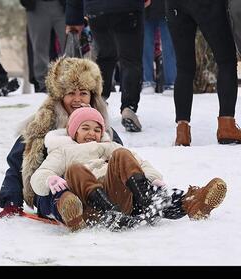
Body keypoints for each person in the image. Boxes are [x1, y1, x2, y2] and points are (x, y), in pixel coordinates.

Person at [31, 107, 227, 231]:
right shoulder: (63, 151)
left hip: (117, 197)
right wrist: (50, 179)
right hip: (90, 203)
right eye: (85, 128)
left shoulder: (109, 146)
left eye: (97, 129)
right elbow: (39, 174)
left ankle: (182, 201)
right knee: (75, 169)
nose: (92, 133)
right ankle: (110, 214)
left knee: (122, 154)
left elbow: (139, 162)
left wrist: (153, 178)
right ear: (74, 131)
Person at [0, 57, 123, 218]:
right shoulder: (42, 124)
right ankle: (69, 207)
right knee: (58, 190)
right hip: (52, 189)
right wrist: (11, 201)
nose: (77, 99)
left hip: (98, 185)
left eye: (83, 93)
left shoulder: (101, 127)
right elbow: (16, 164)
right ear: (60, 96)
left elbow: (120, 158)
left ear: (92, 96)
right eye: (71, 93)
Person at [166, 0, 241, 146]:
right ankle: (227, 126)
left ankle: (182, 131)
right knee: (226, 60)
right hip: (207, 4)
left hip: (173, 5)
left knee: (184, 67)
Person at [66, 0, 145, 133]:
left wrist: (74, 18)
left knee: (105, 56)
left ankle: (98, 100)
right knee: (130, 59)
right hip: (127, 8)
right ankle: (128, 107)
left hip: (96, 9)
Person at [20, 0, 66, 93]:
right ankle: (43, 85)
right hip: (36, 6)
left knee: (70, 45)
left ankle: (72, 81)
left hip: (62, 5)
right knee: (39, 48)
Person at [142, 0, 176, 95]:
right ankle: (148, 81)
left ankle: (170, 82)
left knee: (168, 47)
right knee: (147, 47)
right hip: (149, 9)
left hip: (163, 8)